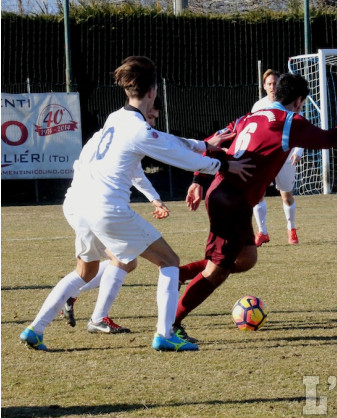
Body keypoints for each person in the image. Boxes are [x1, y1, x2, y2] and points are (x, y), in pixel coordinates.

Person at [20, 56, 252, 351]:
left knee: (86, 273)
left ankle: (35, 329)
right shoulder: (139, 130)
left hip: (81, 207)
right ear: (153, 91)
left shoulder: (116, 118)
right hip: (107, 209)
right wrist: (222, 165)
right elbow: (175, 155)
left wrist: (204, 144)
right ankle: (164, 334)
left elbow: (164, 138)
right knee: (168, 261)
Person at [174, 73, 337, 342]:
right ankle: (172, 322)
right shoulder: (289, 122)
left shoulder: (247, 118)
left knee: (246, 259)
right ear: (298, 101)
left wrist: (198, 180)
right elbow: (330, 139)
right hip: (230, 200)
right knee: (217, 270)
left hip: (228, 196)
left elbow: (212, 141)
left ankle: (182, 274)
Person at [60, 96, 169, 333]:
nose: (150, 123)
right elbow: (135, 173)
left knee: (125, 261)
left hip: (84, 205)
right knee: (124, 260)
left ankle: (74, 299)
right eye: (150, 117)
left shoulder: (112, 133)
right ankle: (93, 315)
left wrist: (154, 199)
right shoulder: (118, 135)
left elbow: (135, 173)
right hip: (89, 206)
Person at [251, 69, 304, 246]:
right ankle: (262, 232)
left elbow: (301, 129)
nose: (273, 87)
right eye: (269, 84)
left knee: (286, 195)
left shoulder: (290, 104)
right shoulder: (258, 106)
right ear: (264, 87)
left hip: (285, 157)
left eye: (275, 83)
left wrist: (298, 151)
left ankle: (291, 229)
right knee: (257, 194)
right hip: (264, 158)